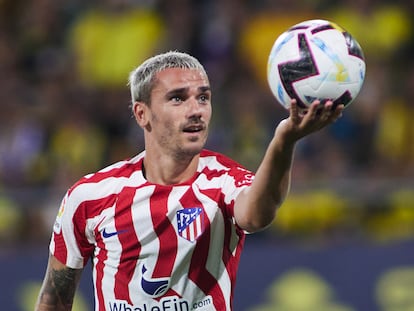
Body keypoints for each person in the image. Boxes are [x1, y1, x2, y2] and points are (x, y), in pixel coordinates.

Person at [35, 51, 343, 311]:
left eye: (203, 97)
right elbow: (54, 298)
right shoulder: (90, 197)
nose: (196, 110)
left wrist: (284, 141)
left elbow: (257, 215)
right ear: (142, 114)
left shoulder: (223, 181)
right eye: (177, 98)